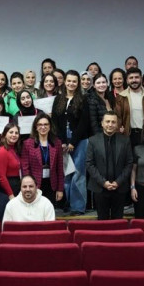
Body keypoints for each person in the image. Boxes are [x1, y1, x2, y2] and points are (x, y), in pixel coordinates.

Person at [52, 70, 90, 216]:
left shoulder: (83, 99)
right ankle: (66, 204)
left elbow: (84, 123)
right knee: (66, 173)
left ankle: (78, 206)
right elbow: (55, 121)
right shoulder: (58, 99)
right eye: (69, 81)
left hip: (80, 140)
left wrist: (73, 141)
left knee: (79, 173)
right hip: (62, 140)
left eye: (74, 81)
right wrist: (61, 141)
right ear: (65, 81)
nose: (71, 83)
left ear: (78, 83)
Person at [86, 111, 134, 220]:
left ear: (117, 125)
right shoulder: (93, 140)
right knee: (102, 222)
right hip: (100, 188)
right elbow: (89, 164)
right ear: (102, 123)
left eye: (113, 122)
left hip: (119, 188)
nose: (110, 124)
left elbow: (129, 163)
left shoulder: (125, 140)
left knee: (118, 222)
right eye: (107, 121)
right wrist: (103, 182)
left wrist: (118, 182)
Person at [21, 113, 64, 206]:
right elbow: (25, 168)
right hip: (35, 185)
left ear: (50, 126)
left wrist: (60, 189)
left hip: (52, 184)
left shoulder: (57, 143)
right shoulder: (28, 144)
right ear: (35, 127)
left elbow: (60, 168)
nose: (43, 127)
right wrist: (29, 186)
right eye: (40, 125)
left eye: (46, 124)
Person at [115, 67, 144, 149]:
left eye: (136, 77)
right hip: (128, 134)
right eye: (131, 78)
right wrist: (119, 130)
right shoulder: (121, 97)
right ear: (127, 80)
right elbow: (118, 117)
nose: (134, 80)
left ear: (141, 79)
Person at [0, 123, 22, 198]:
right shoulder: (2, 151)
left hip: (17, 184)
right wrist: (10, 195)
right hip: (9, 187)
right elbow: (1, 177)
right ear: (5, 134)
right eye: (11, 132)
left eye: (16, 133)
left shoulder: (15, 149)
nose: (14, 135)